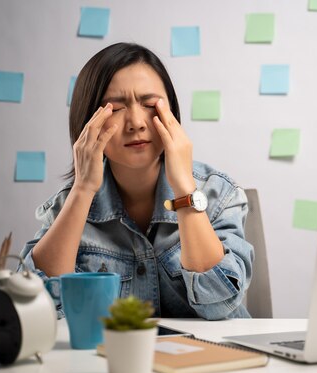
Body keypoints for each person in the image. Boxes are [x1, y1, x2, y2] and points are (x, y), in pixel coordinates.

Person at [19, 43, 253, 320]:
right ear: (87, 122)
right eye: (115, 108)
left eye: (150, 104)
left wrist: (184, 189)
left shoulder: (217, 194)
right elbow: (37, 307)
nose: (136, 122)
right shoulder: (69, 205)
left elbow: (219, 303)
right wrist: (83, 189)